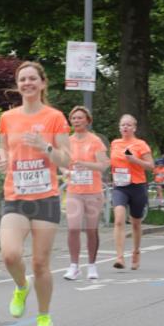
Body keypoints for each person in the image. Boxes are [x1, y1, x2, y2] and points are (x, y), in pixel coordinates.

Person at [0, 61, 70, 326]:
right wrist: (1, 160)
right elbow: (4, 152)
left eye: (32, 79)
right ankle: (20, 286)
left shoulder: (54, 117)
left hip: (45, 198)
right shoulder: (8, 118)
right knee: (10, 254)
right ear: (18, 85)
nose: (27, 83)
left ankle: (44, 317)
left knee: (40, 263)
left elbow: (67, 158)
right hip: (15, 196)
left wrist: (45, 146)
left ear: (42, 83)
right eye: (22, 79)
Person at [61, 106, 109, 281]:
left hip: (93, 192)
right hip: (74, 191)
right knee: (73, 228)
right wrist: (65, 170)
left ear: (88, 120)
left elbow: (103, 165)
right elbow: (62, 162)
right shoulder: (67, 141)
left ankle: (92, 265)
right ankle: (74, 266)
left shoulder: (95, 141)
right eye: (73, 118)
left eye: (80, 118)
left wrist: (85, 164)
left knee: (91, 229)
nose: (76, 121)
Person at [109, 114, 154, 270]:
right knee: (119, 219)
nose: (125, 127)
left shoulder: (140, 144)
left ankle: (136, 252)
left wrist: (135, 160)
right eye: (123, 125)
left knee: (136, 222)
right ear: (119, 127)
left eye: (128, 125)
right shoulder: (115, 143)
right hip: (120, 187)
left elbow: (151, 166)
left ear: (134, 128)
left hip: (137, 186)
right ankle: (120, 257)